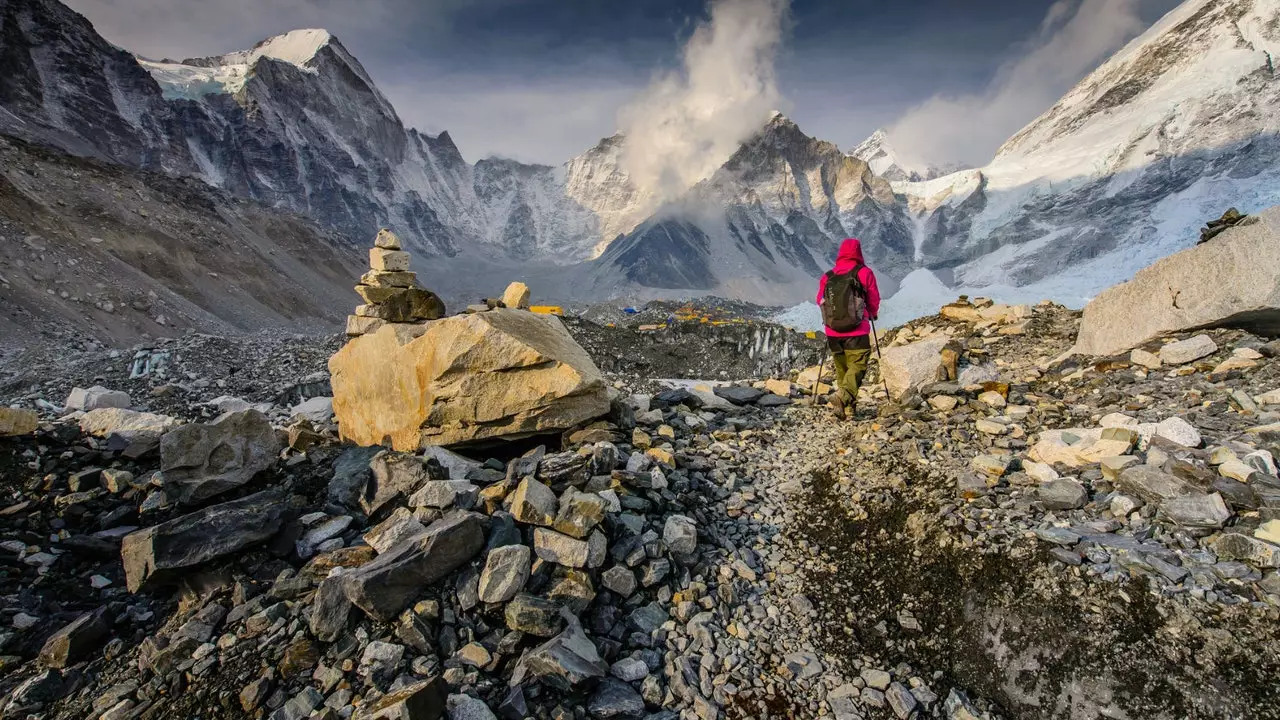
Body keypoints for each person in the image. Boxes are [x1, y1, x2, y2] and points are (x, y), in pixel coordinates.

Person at [817, 238, 880, 419]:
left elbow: (819, 300)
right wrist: (873, 313)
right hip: (857, 330)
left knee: (842, 369)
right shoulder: (864, 273)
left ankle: (848, 409)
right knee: (858, 366)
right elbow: (873, 297)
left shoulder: (828, 276)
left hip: (833, 332)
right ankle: (842, 397)